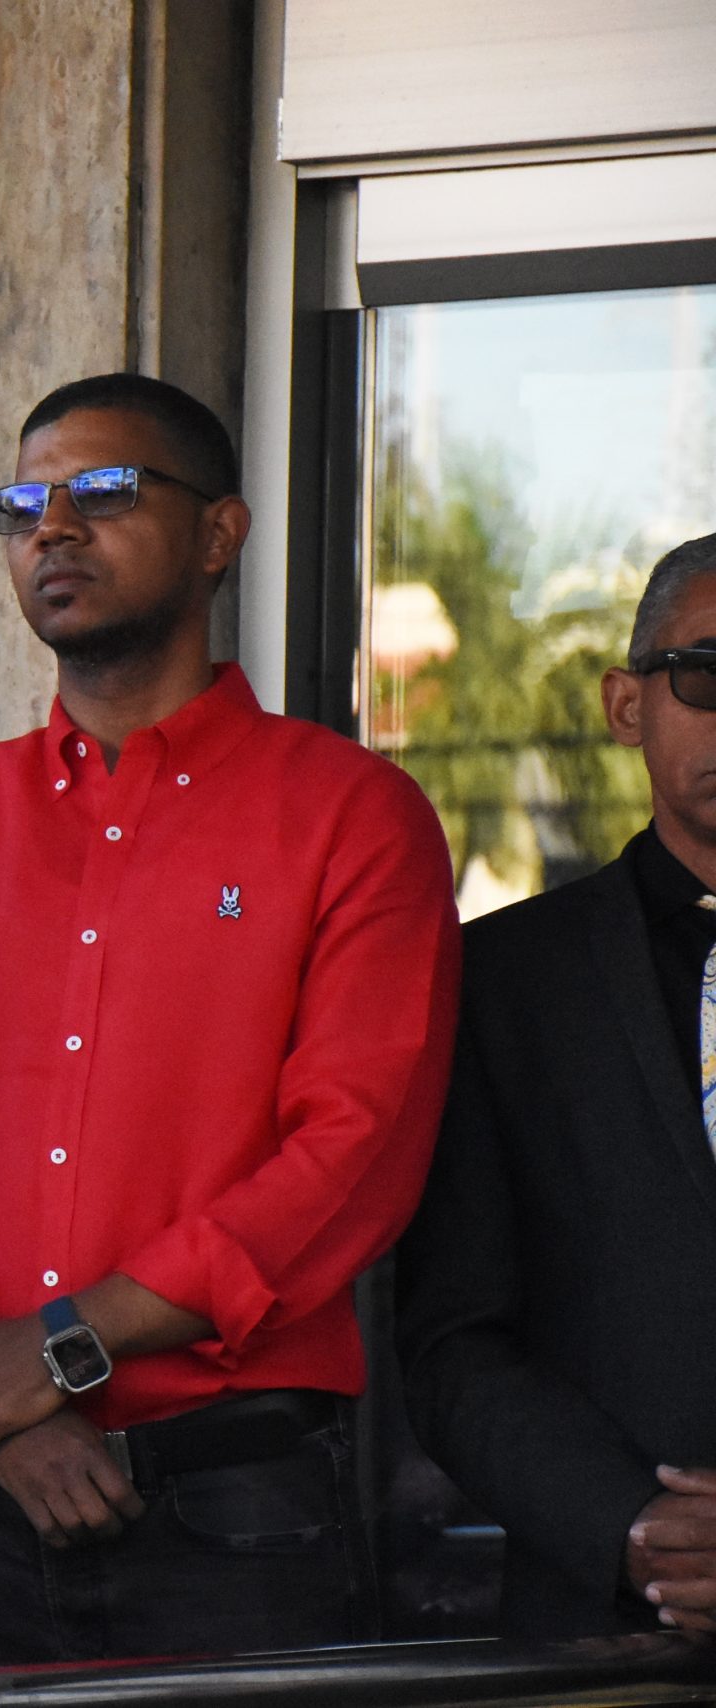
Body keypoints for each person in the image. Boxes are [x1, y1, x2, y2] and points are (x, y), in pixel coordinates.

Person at [0, 373, 460, 1665]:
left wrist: (66, 1346)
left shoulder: (350, 815)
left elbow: (354, 1151)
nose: (52, 529)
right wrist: (0, 1406)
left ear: (220, 534)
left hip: (236, 1494)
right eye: (20, 504)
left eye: (101, 492)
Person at [398, 532, 716, 1638]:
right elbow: (449, 1338)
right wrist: (627, 1525)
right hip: (596, 1632)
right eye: (706, 674)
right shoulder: (498, 983)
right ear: (626, 704)